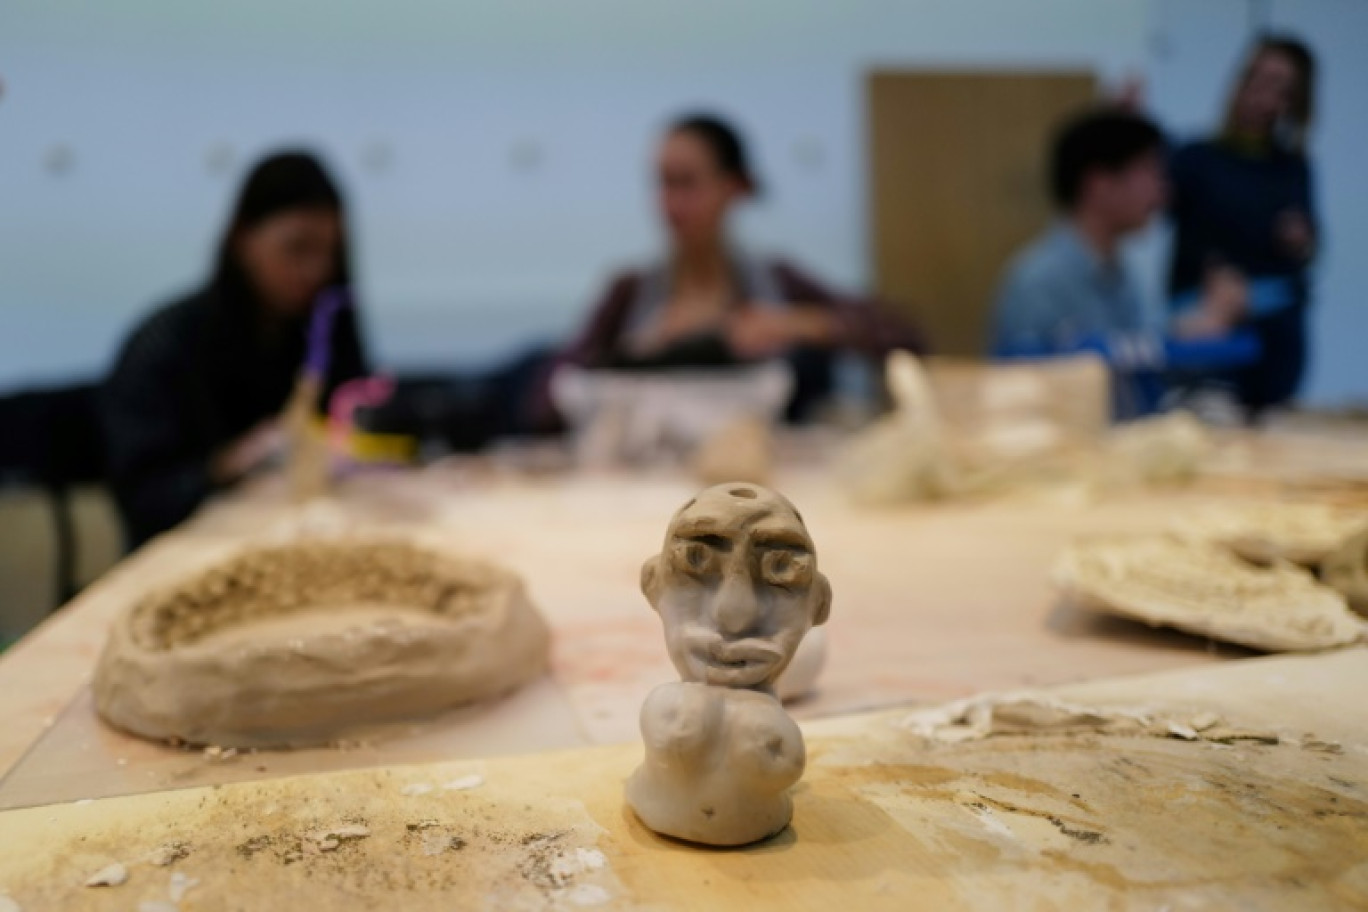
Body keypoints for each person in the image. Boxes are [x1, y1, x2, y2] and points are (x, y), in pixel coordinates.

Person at [544, 113, 925, 424]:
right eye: (662, 184)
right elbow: (545, 400)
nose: (669, 203)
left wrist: (799, 323)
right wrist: (636, 355)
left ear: (734, 187)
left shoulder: (776, 283)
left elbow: (903, 337)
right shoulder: (629, 292)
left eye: (686, 183)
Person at [102, 151, 368, 548]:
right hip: (189, 551)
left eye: (329, 252)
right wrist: (230, 463)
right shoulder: (167, 344)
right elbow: (144, 498)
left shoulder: (314, 331)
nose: (316, 271)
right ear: (243, 239)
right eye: (297, 249)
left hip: (293, 539)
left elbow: (349, 411)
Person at [992, 108, 1249, 416]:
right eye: (1149, 170)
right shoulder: (1036, 281)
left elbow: (1142, 362)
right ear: (1099, 184)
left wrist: (1202, 326)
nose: (1162, 189)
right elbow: (1019, 402)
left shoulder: (1126, 275)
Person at [1168, 36, 1318, 416]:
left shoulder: (1292, 168)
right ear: (1241, 81)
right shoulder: (1195, 158)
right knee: (1210, 422)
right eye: (1258, 79)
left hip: (1275, 333)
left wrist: (1301, 241)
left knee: (1270, 432)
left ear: (1294, 103)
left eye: (1281, 89)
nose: (1264, 97)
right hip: (1208, 324)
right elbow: (1152, 207)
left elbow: (1311, 247)